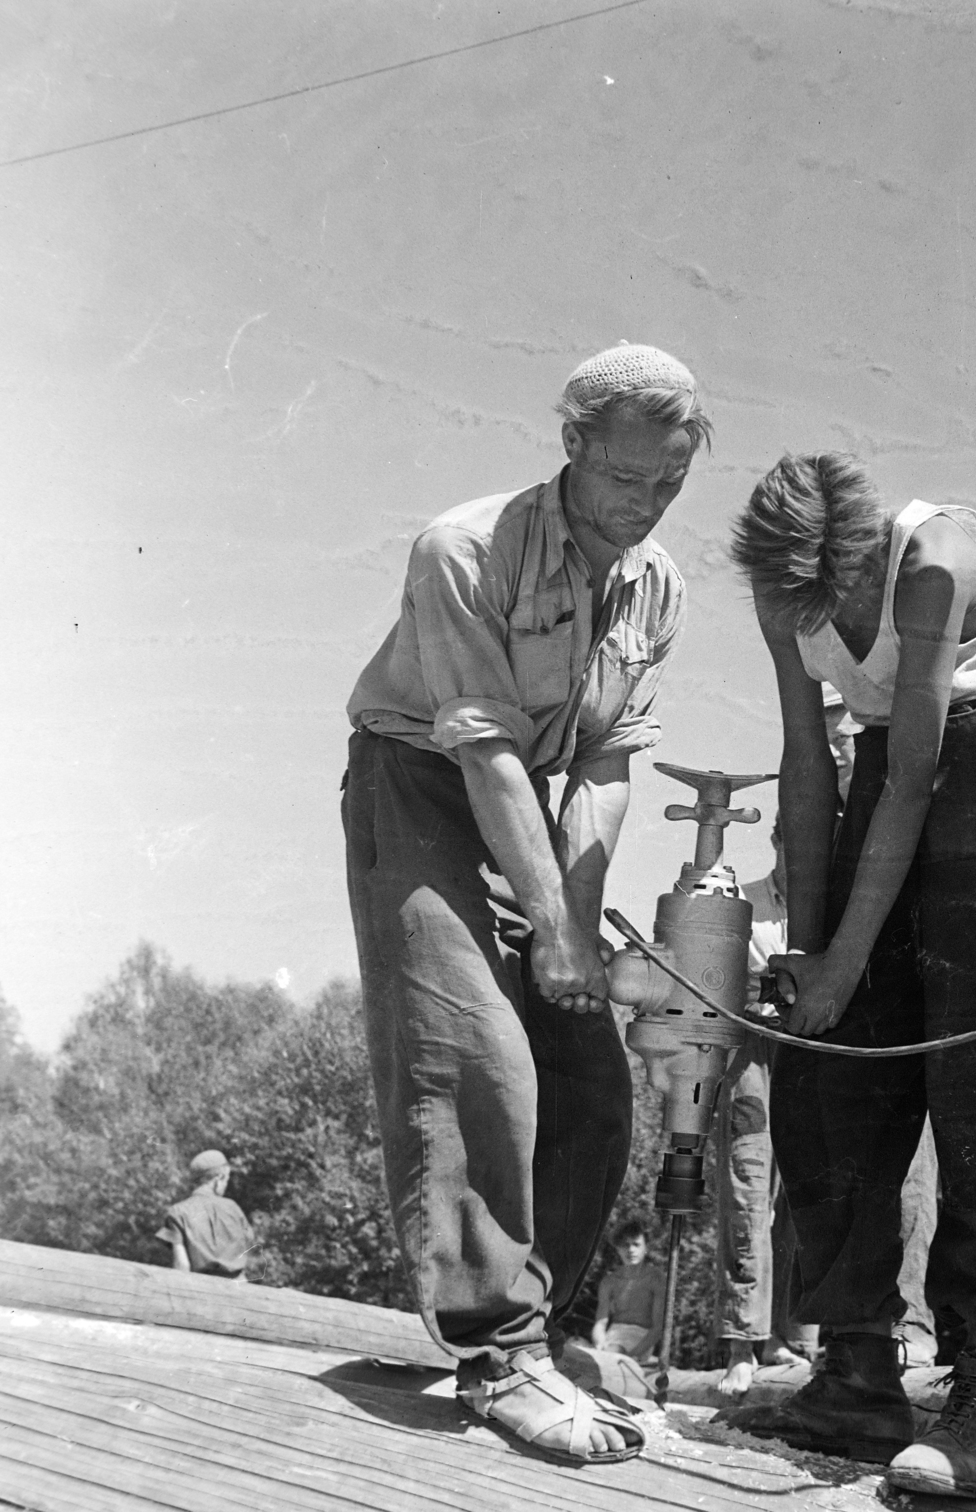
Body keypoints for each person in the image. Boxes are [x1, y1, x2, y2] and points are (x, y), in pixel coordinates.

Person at [342, 342, 710, 1466]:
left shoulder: (657, 583)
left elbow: (603, 764)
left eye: (668, 487)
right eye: (624, 481)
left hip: (535, 814)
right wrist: (550, 927)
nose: (642, 509)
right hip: (419, 784)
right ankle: (493, 1352)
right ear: (572, 449)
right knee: (478, 1051)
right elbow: (489, 749)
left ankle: (539, 1324)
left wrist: (576, 923)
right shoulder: (461, 546)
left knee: (590, 1068)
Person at [723, 453, 976, 1501]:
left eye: (837, 594)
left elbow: (917, 782)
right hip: (876, 772)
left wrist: (846, 960)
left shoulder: (933, 558)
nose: (819, 614)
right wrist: (810, 953)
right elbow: (805, 763)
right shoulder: (787, 590)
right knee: (827, 1070)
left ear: (869, 548)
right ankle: (857, 1365)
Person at [714, 820, 816, 1399]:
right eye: (791, 842)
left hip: (812, 1049)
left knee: (807, 1194)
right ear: (777, 841)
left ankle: (792, 1337)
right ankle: (741, 1344)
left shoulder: (832, 909)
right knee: (748, 1185)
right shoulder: (744, 903)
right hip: (751, 1049)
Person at [156, 1150, 254, 1281]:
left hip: (202, 1291)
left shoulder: (178, 1212)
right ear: (218, 1179)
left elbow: (182, 1265)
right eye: (226, 1179)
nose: (225, 1186)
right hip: (239, 1291)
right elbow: (249, 1248)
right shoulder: (233, 1208)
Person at [590, 1221, 666, 1364]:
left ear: (646, 1247)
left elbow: (657, 1328)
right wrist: (600, 1343)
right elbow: (600, 1323)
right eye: (625, 1245)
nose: (630, 1250)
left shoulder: (656, 1279)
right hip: (612, 1338)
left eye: (636, 1244)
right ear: (617, 1248)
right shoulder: (609, 1281)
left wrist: (633, 1355)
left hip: (641, 1339)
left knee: (613, 1351)